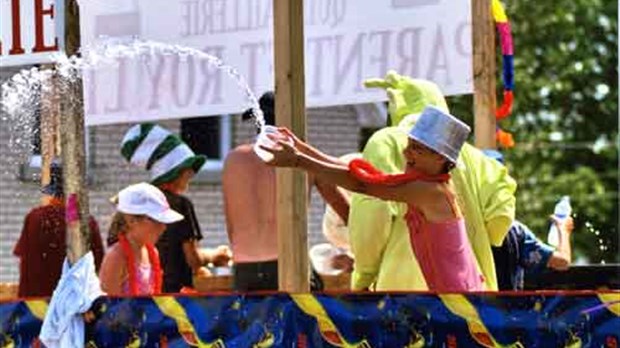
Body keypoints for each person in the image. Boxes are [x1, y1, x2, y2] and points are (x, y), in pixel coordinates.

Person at [263, 106, 485, 291]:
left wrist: (298, 161)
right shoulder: (425, 183)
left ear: (439, 157)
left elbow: (363, 185)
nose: (406, 153)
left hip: (461, 301)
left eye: (416, 149)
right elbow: (362, 174)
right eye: (408, 145)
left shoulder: (430, 191)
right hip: (453, 298)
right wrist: (301, 148)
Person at [348, 73, 517, 291]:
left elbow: (371, 213)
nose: (407, 153)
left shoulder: (386, 141)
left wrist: (363, 275)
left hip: (404, 293)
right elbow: (499, 224)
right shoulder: (480, 159)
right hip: (471, 295)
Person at [223, 92, 326, 291]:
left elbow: (231, 226)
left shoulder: (233, 159)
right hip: (288, 262)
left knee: (252, 322)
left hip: (245, 267)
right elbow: (344, 209)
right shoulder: (302, 158)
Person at [120, 124, 231, 293]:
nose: (191, 176)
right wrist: (215, 255)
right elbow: (192, 259)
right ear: (176, 172)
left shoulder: (144, 203)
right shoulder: (181, 204)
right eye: (188, 170)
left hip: (151, 290)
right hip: (179, 293)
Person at [482, 149, 576, 290]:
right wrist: (563, 230)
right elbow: (562, 262)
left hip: (462, 308)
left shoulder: (459, 223)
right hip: (503, 310)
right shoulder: (514, 231)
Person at [13, 162, 105, 297]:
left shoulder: (34, 218)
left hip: (36, 305)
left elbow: (23, 261)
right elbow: (98, 267)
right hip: (73, 304)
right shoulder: (86, 222)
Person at [99, 183, 184, 295]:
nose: (163, 227)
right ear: (131, 220)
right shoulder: (117, 257)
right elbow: (109, 307)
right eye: (156, 220)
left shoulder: (153, 252)